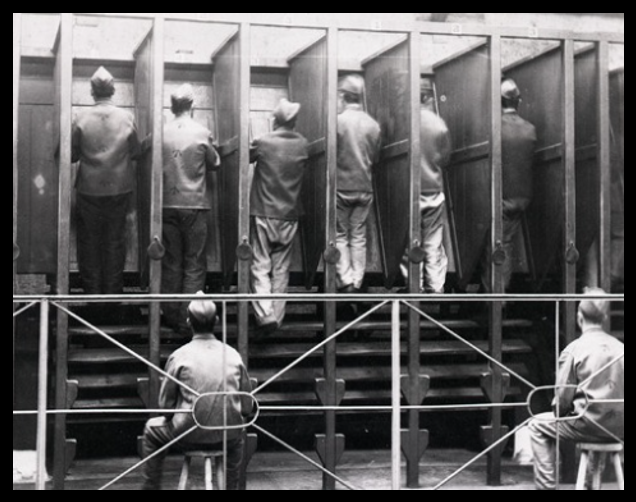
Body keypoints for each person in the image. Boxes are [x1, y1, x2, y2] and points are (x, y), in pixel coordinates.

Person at [141, 293, 254, 491]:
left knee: (152, 429)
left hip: (188, 434)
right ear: (216, 321)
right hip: (227, 436)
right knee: (238, 435)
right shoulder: (233, 355)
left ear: (188, 322)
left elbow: (165, 408)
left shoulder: (179, 356)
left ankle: (151, 488)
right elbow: (246, 407)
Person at [528, 289, 624, 491]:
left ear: (579, 318)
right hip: (619, 427)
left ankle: (546, 487)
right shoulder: (621, 348)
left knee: (536, 425)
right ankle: (591, 485)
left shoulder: (574, 349)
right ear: (605, 318)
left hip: (587, 425)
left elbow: (562, 400)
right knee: (598, 421)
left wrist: (561, 413)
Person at [71, 66, 142, 295]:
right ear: (113, 91)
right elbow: (136, 152)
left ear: (92, 91)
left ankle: (93, 297)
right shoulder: (127, 118)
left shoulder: (80, 118)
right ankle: (112, 297)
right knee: (115, 243)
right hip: (119, 189)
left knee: (89, 244)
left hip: (88, 190)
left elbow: (71, 155)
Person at [161, 84, 221, 334]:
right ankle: (188, 320)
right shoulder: (202, 132)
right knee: (194, 263)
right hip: (194, 204)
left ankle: (170, 315)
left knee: (171, 261)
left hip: (166, 204)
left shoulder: (161, 131)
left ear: (171, 107)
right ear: (192, 106)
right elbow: (215, 162)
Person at [249, 99, 309, 333]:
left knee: (260, 264)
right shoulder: (303, 144)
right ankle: (278, 316)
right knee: (281, 269)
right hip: (290, 214)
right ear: (295, 122)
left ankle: (265, 315)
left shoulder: (264, 142)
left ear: (275, 120)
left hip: (264, 211)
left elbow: (245, 156)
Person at [482, 78, 537, 292]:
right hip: (522, 198)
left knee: (498, 247)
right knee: (505, 244)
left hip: (501, 199)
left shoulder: (495, 128)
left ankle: (497, 300)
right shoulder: (530, 130)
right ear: (518, 101)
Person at [400, 79, 452, 293]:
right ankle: (436, 286)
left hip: (411, 190)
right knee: (433, 240)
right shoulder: (439, 124)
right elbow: (445, 158)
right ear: (428, 97)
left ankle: (415, 285)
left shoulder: (406, 122)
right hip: (434, 189)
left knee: (410, 240)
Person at [335, 75, 382, 293]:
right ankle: (357, 280)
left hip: (342, 186)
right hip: (365, 187)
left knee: (340, 234)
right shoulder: (373, 125)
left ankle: (345, 280)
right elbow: (376, 157)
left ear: (344, 96)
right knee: (359, 235)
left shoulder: (338, 122)